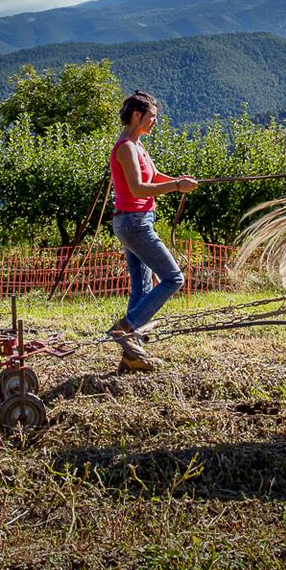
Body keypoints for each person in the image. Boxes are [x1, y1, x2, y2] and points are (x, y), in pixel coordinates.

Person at [108, 91, 198, 373]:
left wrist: (180, 181)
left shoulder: (138, 146)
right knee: (174, 278)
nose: (154, 122)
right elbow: (137, 188)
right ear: (137, 116)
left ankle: (133, 356)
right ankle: (125, 328)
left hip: (136, 221)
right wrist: (176, 188)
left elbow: (155, 178)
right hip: (134, 223)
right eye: (152, 117)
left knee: (143, 287)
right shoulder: (125, 147)